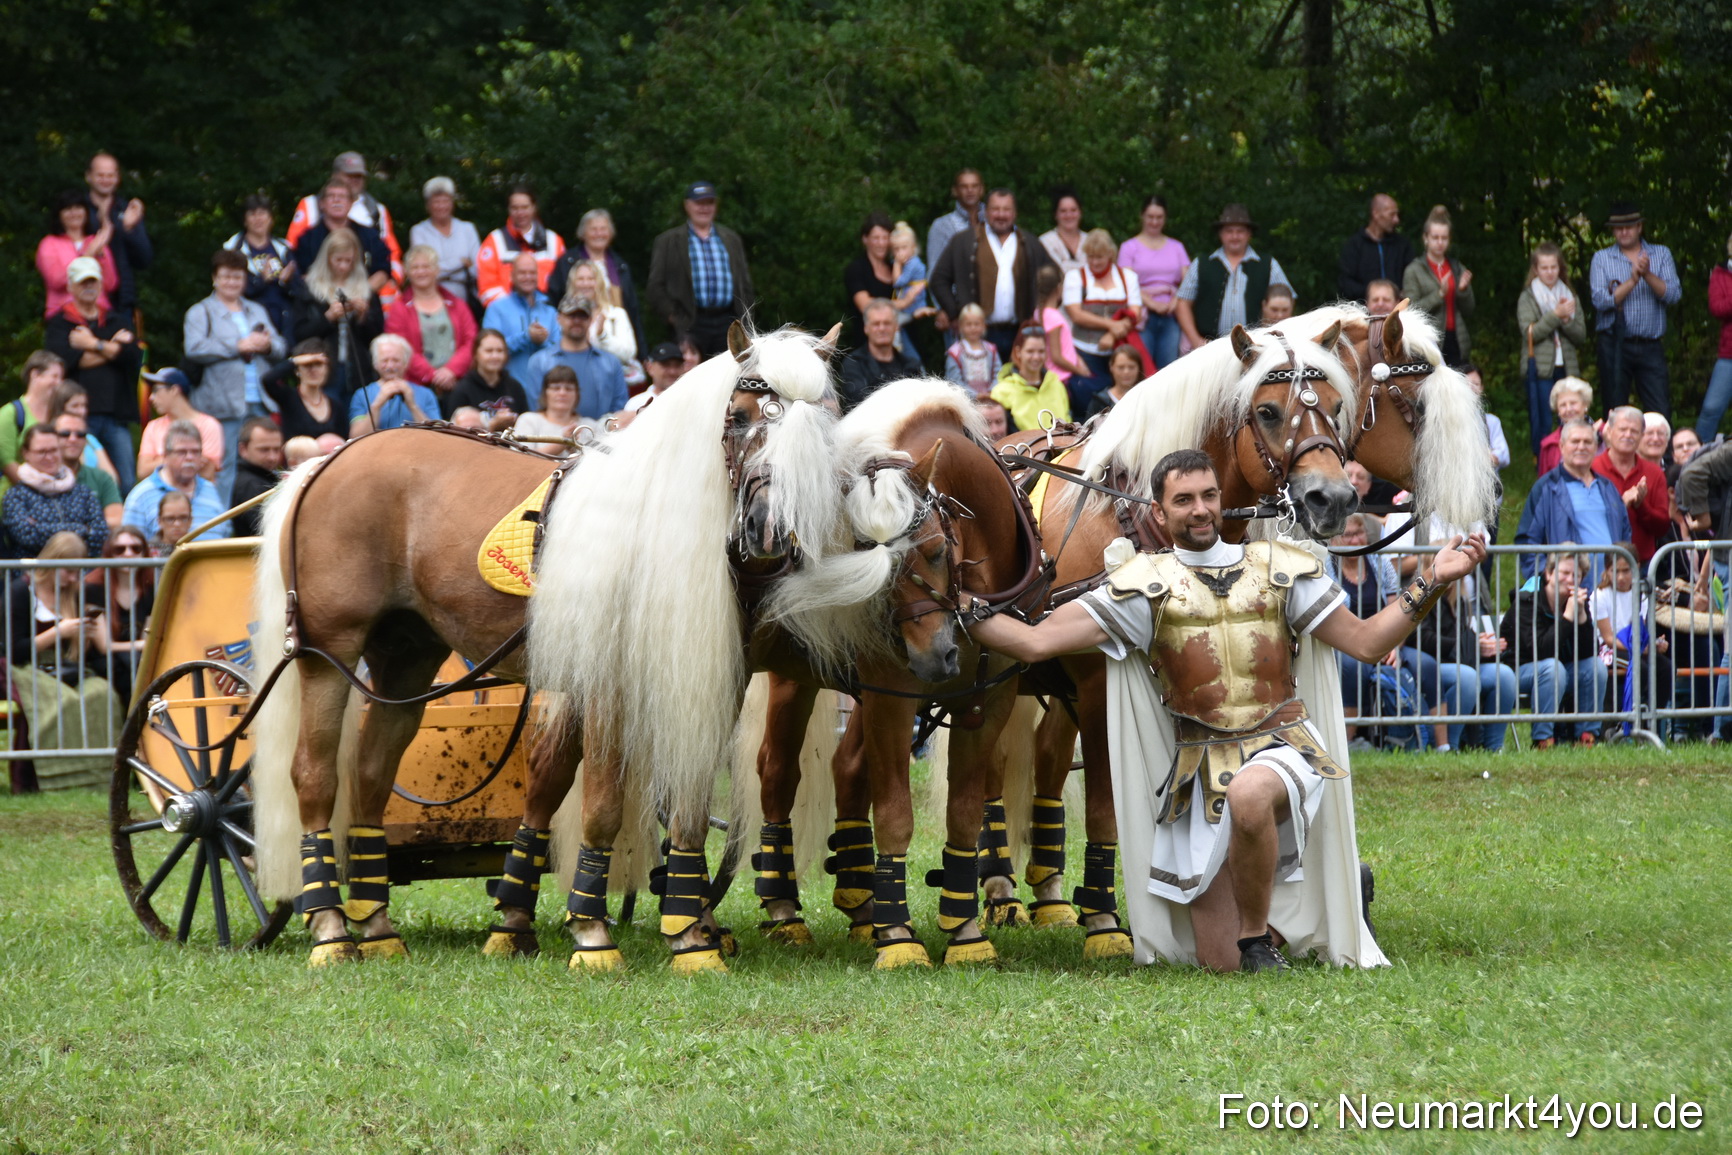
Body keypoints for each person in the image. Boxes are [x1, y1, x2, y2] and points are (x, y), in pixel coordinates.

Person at [967, 450, 1486, 971]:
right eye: (1184, 499)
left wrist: (1434, 577)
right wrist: (959, 606)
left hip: (1283, 748)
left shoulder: (1278, 568)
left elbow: (1368, 642)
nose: (1200, 509)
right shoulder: (1140, 586)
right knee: (1219, 960)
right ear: (1158, 510)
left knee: (1251, 793)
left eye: (1208, 496)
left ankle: (1258, 941)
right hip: (1199, 774)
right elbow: (1034, 644)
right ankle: (1332, 899)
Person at [4, 531, 123, 789]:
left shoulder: (76, 593)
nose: (73, 578)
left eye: (77, 572)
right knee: (63, 702)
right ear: (51, 563)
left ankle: (101, 774)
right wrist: (59, 631)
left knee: (102, 694)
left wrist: (85, 635)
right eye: (68, 571)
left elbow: (87, 654)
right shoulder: (21, 591)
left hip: (69, 667)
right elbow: (15, 650)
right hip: (27, 666)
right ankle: (58, 776)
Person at [184, 250, 287, 500]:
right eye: (226, 276)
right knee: (223, 466)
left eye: (237, 277)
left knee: (266, 464)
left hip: (260, 401)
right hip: (221, 404)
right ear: (214, 278)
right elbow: (193, 348)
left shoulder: (256, 310)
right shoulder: (200, 311)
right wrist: (237, 345)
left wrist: (267, 346)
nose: (232, 282)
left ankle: (260, 519)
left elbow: (282, 347)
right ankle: (221, 527)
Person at [42, 257, 140, 491]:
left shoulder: (117, 319)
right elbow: (64, 363)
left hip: (117, 416)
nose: (88, 287)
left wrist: (92, 343)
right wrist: (111, 347)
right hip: (75, 418)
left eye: (93, 281)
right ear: (70, 286)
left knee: (126, 482)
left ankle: (123, 527)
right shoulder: (59, 323)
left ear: (101, 284)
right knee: (79, 481)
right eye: (82, 282)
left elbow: (134, 357)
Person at [930, 188, 1054, 361]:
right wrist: (955, 314)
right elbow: (938, 280)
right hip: (978, 334)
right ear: (985, 212)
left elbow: (1054, 279)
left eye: (1006, 209)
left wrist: (1043, 313)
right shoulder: (963, 241)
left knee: (1016, 386)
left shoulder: (1030, 243)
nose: (1001, 215)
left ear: (1015, 213)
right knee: (978, 387)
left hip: (1019, 333)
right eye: (996, 209)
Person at [1499, 548, 1607, 747]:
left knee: (1595, 666)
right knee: (1551, 668)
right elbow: (1539, 650)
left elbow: (1590, 652)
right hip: (1519, 671)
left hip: (1559, 670)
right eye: (1564, 573)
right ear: (1549, 574)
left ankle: (1586, 736)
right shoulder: (1527, 601)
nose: (1570, 580)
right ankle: (1543, 740)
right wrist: (1567, 618)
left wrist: (1581, 617)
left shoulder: (1577, 602)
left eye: (1577, 575)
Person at [1590, 202, 1682, 417]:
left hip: (1650, 345)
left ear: (1639, 227)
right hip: (1614, 344)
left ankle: (1663, 451)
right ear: (1612, 230)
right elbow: (1600, 301)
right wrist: (1632, 281)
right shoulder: (1602, 258)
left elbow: (1674, 295)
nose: (1623, 231)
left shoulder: (1661, 254)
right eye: (1618, 227)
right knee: (1613, 410)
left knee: (1660, 409)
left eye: (1629, 226)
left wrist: (1647, 275)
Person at [645, 181, 755, 357]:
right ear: (687, 205)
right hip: (690, 321)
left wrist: (744, 320)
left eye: (709, 203)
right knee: (692, 375)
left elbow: (745, 285)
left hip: (728, 321)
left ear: (716, 205)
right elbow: (655, 287)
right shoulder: (668, 241)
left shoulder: (731, 239)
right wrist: (675, 318)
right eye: (699, 203)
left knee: (729, 377)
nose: (704, 208)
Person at [1410, 578, 1517, 753]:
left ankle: (1494, 747)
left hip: (1460, 661)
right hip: (1429, 665)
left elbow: (1462, 635)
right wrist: (1467, 643)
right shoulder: (1417, 594)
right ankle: (1451, 746)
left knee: (1503, 674)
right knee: (1466, 677)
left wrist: (1476, 643)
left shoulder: (1457, 597)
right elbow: (1423, 638)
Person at [1515, 419, 1630, 581]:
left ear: (1596, 447)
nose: (1581, 447)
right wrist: (1546, 580)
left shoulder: (1608, 488)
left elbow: (1625, 535)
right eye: (1575, 441)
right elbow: (1528, 541)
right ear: (1561, 446)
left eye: (1588, 442)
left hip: (1608, 592)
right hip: (1565, 593)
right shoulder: (1546, 488)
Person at [287, 152, 403, 299]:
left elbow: (388, 261)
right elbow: (296, 261)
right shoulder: (309, 208)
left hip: (365, 301)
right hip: (320, 301)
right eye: (349, 175)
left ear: (350, 203)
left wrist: (359, 296)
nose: (337, 201)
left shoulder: (376, 212)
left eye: (359, 176)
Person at [1175, 204, 1291, 349]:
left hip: (1255, 347)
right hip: (1209, 347)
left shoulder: (1268, 264)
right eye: (1229, 231)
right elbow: (1182, 303)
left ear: (1249, 233)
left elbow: (1288, 300)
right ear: (1221, 234)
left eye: (1240, 231)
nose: (1234, 236)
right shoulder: (1202, 263)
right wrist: (1196, 340)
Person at [288, 228, 382, 397]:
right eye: (338, 260)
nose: (343, 266)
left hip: (359, 370)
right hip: (323, 370)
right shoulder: (309, 288)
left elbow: (377, 338)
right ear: (327, 258)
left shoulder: (366, 289)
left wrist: (362, 318)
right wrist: (328, 318)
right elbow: (299, 333)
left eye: (349, 261)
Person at [1516, 242, 1587, 457]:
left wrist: (1565, 319)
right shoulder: (1527, 297)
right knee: (1543, 420)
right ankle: (1543, 463)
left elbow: (1581, 336)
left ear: (1560, 268)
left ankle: (1572, 459)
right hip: (1539, 367)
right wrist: (1556, 315)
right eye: (1544, 268)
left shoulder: (1569, 296)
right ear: (1536, 269)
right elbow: (1530, 333)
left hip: (1567, 367)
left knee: (1570, 416)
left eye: (1554, 267)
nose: (1549, 272)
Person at [384, 244, 477, 407]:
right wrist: (433, 375)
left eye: (426, 266)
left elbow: (472, 341)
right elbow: (400, 348)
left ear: (436, 270)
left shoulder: (457, 304)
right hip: (417, 388)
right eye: (415, 267)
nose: (421, 272)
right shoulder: (399, 308)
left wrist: (451, 371)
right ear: (407, 272)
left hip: (457, 384)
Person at [1063, 229, 1142, 409]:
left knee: (1123, 401)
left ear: (1110, 255)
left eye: (1099, 257)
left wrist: (1112, 336)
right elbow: (1076, 314)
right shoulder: (1075, 277)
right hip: (1085, 350)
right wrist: (1112, 325)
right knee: (1087, 401)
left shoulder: (1127, 277)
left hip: (1120, 351)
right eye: (1090, 256)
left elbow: (1135, 312)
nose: (1094, 262)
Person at [1, 427, 107, 557]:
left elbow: (100, 534)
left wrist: (42, 528)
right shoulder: (16, 496)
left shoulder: (83, 493)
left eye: (54, 450)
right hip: (32, 574)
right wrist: (82, 529)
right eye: (42, 452)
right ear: (26, 453)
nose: (49, 457)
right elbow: (26, 536)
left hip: (82, 574)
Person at [122, 421, 231, 542]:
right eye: (182, 452)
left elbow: (225, 534)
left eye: (195, 452)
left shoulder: (210, 490)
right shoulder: (140, 496)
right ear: (165, 455)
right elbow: (131, 549)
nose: (189, 457)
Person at [524, 296, 628, 418]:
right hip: (553, 435)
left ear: (590, 320)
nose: (577, 321)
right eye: (571, 316)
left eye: (582, 316)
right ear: (559, 319)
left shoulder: (610, 363)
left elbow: (619, 408)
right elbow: (536, 408)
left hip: (600, 434)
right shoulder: (539, 362)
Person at [1118, 196, 1189, 369]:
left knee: (1170, 368)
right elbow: (1126, 282)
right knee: (1143, 367)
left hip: (1171, 315)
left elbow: (1188, 281)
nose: (1154, 221)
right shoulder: (1129, 247)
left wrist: (1175, 301)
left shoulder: (1177, 247)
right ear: (1142, 216)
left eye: (1159, 217)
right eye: (1150, 216)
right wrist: (1152, 304)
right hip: (1141, 315)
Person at [1593, 406, 1670, 564]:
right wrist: (1621, 504)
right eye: (1622, 429)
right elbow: (1587, 518)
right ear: (1609, 431)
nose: (1628, 435)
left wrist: (1641, 506)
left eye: (1634, 431)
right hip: (1599, 563)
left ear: (1642, 435)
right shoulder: (1592, 468)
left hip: (1640, 565)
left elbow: (1662, 527)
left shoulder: (1654, 473)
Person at [1401, 206, 1475, 368]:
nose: (1440, 243)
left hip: (1457, 340)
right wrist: (1439, 294)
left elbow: (1470, 310)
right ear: (1425, 238)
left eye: (1444, 238)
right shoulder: (1414, 269)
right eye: (1435, 237)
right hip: (1429, 342)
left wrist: (1463, 290)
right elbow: (1411, 310)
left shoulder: (1456, 267)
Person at [83, 152, 152, 316]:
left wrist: (128, 228)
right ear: (88, 177)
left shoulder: (127, 210)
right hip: (83, 298)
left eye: (110, 175)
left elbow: (145, 260)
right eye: (100, 175)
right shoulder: (76, 210)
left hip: (121, 302)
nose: (105, 180)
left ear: (118, 178)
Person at [90, 524, 154, 701]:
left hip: (136, 660)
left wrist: (142, 646)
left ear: (144, 553)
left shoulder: (151, 589)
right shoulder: (94, 588)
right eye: (119, 549)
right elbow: (105, 646)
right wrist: (140, 645)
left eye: (136, 548)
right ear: (109, 554)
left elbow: (147, 638)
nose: (128, 554)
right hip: (105, 662)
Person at [475, 184, 565, 308]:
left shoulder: (554, 240)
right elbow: (487, 288)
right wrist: (513, 309)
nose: (520, 213)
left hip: (547, 313)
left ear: (534, 208)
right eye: (515, 208)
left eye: (525, 207)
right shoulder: (495, 240)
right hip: (507, 316)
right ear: (508, 209)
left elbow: (564, 282)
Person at [224, 193, 296, 343]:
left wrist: (286, 282)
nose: (258, 219)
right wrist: (261, 280)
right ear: (245, 220)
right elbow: (229, 289)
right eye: (252, 214)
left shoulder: (284, 248)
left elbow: (298, 289)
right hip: (249, 325)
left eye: (262, 213)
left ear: (271, 218)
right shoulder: (233, 249)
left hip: (285, 324)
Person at [481, 253, 558, 394]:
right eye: (522, 273)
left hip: (544, 393)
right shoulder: (496, 309)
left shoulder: (550, 312)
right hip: (506, 391)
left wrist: (541, 342)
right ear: (511, 275)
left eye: (532, 273)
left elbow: (560, 353)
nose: (528, 277)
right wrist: (526, 337)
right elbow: (489, 351)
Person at [35, 189, 117, 319]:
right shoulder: (49, 243)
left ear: (86, 212)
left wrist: (101, 255)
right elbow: (55, 280)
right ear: (59, 215)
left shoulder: (95, 242)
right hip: (63, 314)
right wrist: (88, 254)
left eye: (78, 207)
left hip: (99, 313)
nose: (74, 213)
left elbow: (111, 284)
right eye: (68, 209)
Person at [559, 259, 640, 381]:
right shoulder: (563, 316)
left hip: (610, 381)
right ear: (573, 283)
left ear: (600, 283)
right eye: (580, 279)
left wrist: (603, 336)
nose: (586, 284)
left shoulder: (616, 315)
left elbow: (628, 353)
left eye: (591, 279)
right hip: (572, 381)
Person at [135, 369, 222, 483]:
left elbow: (207, 473)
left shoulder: (209, 425)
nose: (151, 397)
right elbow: (142, 472)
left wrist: (161, 461)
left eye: (156, 391)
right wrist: (185, 459)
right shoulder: (153, 426)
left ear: (174, 390)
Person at [408, 176, 481, 306]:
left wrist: (438, 267)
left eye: (446, 201)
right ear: (428, 205)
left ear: (452, 203)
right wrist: (460, 262)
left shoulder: (467, 229)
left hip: (465, 297)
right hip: (430, 296)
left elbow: (477, 269)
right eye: (436, 202)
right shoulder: (418, 231)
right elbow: (422, 271)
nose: (441, 206)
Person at [838, 299, 921, 411]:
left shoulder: (911, 365)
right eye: (876, 324)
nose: (882, 328)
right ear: (866, 328)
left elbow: (919, 403)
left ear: (896, 326)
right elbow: (858, 403)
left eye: (887, 323)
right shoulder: (853, 364)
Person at [348, 334, 440, 436]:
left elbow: (437, 436)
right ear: (375, 364)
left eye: (396, 360)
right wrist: (377, 404)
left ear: (406, 363)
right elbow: (355, 437)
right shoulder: (361, 394)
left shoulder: (426, 394)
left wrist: (412, 405)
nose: (390, 366)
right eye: (385, 360)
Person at [1, 353, 66, 493]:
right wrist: (39, 493)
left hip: (59, 494)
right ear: (35, 374)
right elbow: (6, 462)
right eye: (54, 376)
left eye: (61, 378)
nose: (59, 383)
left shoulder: (60, 416)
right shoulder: (10, 413)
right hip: (16, 497)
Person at [261, 340, 349, 442]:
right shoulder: (288, 397)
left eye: (318, 364)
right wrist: (295, 361)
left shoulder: (336, 405)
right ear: (297, 370)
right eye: (307, 364)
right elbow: (268, 380)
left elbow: (344, 440)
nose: (313, 370)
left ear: (327, 369)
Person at [52, 412, 123, 531]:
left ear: (86, 440)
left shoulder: (101, 478)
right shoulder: (39, 476)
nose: (73, 439)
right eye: (65, 434)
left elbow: (117, 520)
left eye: (80, 434)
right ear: (51, 437)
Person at [1337, 193, 1414, 302]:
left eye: (1397, 215)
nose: (1396, 220)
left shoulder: (1402, 245)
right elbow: (1346, 284)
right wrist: (1372, 294)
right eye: (1392, 215)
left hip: (1397, 311)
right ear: (1376, 214)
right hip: (1363, 312)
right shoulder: (1354, 246)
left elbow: (1411, 279)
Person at [990, 326, 1070, 431]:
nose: (1036, 357)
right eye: (1030, 351)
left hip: (1063, 446)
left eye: (1041, 351)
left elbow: (1069, 422)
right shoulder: (1001, 391)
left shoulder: (1057, 385)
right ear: (1018, 352)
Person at [447, 330, 530, 430]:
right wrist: (493, 426)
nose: (495, 356)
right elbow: (455, 434)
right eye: (489, 351)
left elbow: (526, 425)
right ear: (476, 354)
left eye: (499, 351)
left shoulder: (515, 387)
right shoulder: (462, 390)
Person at [926, 168, 986, 291]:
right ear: (955, 191)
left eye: (974, 186)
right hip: (958, 303)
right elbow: (935, 274)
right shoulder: (942, 226)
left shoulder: (997, 222)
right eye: (964, 186)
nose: (970, 190)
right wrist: (946, 307)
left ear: (981, 189)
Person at [514, 366, 595, 453]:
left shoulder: (589, 426)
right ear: (545, 393)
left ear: (577, 394)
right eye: (556, 388)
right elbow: (519, 459)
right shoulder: (528, 420)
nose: (562, 393)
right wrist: (562, 443)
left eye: (568, 388)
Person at [1035, 265, 1087, 400]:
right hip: (1062, 378)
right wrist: (1079, 371)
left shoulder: (1039, 313)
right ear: (1059, 288)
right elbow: (1056, 356)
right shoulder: (1053, 316)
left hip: (1057, 377)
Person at [843, 212, 897, 342]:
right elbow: (865, 305)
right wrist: (904, 303)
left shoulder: (895, 267)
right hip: (867, 344)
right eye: (876, 238)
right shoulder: (856, 269)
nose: (881, 243)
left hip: (900, 338)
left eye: (885, 238)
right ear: (865, 239)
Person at [1701, 230, 1732, 442]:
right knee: (1711, 408)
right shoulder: (1720, 274)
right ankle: (1694, 459)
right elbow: (1717, 308)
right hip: (1729, 353)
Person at [228, 416, 283, 535]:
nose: (272, 457)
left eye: (276, 449)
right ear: (243, 449)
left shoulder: (263, 479)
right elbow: (267, 532)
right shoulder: (250, 485)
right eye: (264, 450)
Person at [887, 221, 932, 356]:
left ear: (913, 248)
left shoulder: (913, 264)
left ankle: (897, 346)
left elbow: (898, 282)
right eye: (896, 249)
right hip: (908, 304)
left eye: (904, 248)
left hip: (913, 304)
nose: (900, 252)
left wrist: (896, 264)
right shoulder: (907, 263)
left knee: (895, 322)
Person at [1537, 376, 1594, 476]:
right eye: (1563, 405)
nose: (1568, 409)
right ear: (1557, 410)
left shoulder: (1604, 434)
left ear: (1585, 405)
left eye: (1573, 403)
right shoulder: (1548, 445)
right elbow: (1543, 485)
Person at [942, 304, 1002, 396]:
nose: (973, 328)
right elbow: (954, 382)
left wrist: (991, 392)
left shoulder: (991, 349)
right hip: (965, 401)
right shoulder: (955, 352)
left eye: (977, 324)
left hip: (990, 399)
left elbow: (999, 374)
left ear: (983, 325)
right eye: (968, 324)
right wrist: (975, 396)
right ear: (961, 326)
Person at [620, 342, 687, 420]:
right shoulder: (636, 404)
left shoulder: (690, 401)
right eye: (666, 365)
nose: (672, 371)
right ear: (649, 367)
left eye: (677, 365)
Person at [1084, 345, 1145, 420]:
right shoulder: (1099, 401)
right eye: (1121, 367)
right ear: (1111, 367)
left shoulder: (1145, 399)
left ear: (1139, 368)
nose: (1126, 372)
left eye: (1131, 367)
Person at [1039, 188, 1085, 276]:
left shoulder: (1091, 241)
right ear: (1056, 214)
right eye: (1063, 211)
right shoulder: (1045, 242)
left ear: (1080, 212)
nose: (1069, 215)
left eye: (1073, 210)